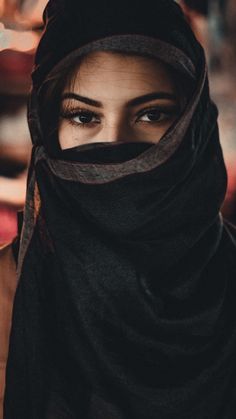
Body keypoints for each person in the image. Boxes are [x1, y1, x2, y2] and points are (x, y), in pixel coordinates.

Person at [1, 0, 236, 418]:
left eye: (151, 114)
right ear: (48, 127)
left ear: (193, 125)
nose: (115, 145)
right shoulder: (6, 297)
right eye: (82, 116)